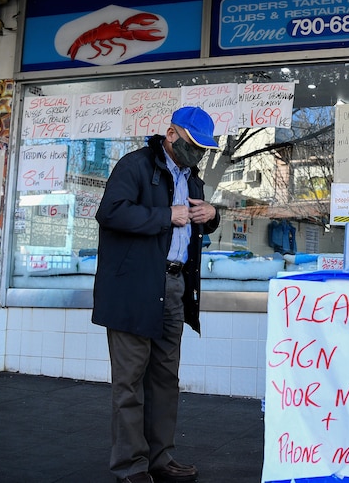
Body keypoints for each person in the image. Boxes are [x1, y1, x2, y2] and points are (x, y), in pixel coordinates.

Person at [93, 106, 221, 483]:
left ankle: (160, 459)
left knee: (165, 378)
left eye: (203, 149)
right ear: (171, 134)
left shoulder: (191, 178)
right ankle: (130, 465)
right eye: (194, 145)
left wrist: (211, 215)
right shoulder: (135, 165)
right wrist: (167, 215)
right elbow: (110, 213)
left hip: (174, 285)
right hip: (134, 287)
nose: (198, 154)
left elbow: (195, 219)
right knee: (130, 381)